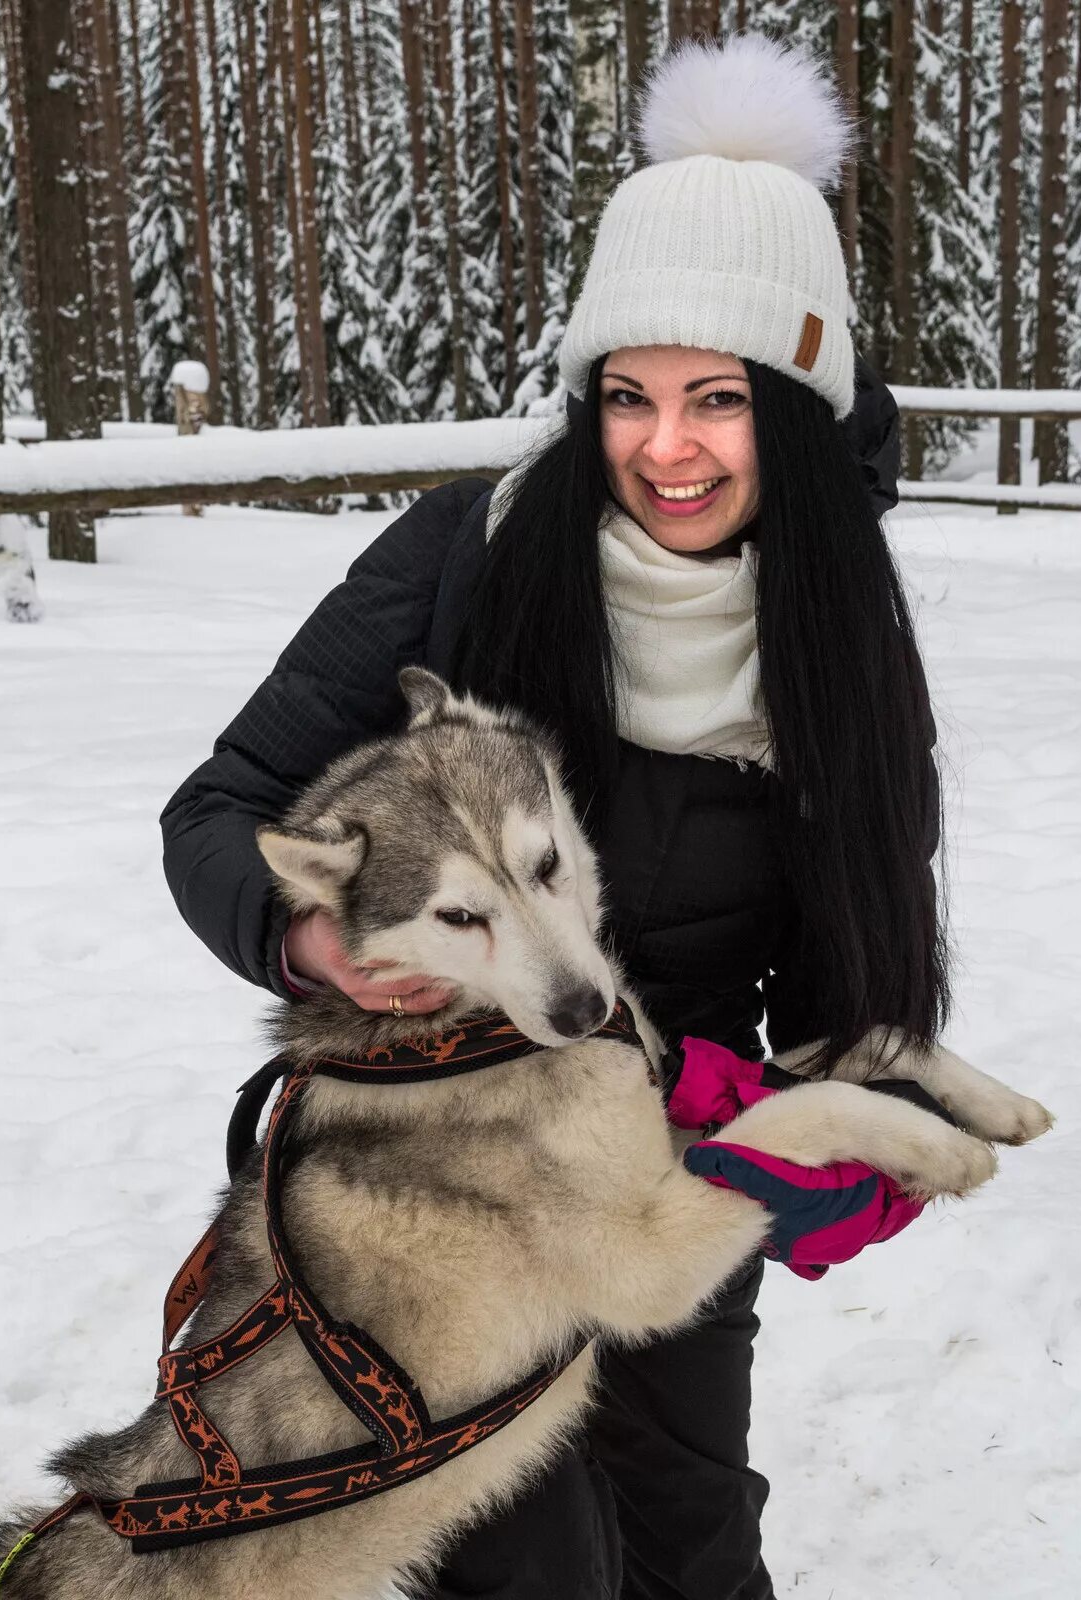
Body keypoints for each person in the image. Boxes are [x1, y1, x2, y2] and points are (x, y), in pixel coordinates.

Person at [158, 34, 947, 1600]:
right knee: (519, 1567)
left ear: (791, 409)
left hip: (673, 1145)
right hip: (433, 1167)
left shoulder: (838, 630)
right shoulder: (471, 552)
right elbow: (222, 805)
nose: (666, 449)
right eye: (630, 397)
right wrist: (311, 935)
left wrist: (846, 1117)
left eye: (718, 399)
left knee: (693, 1542)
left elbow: (865, 921)